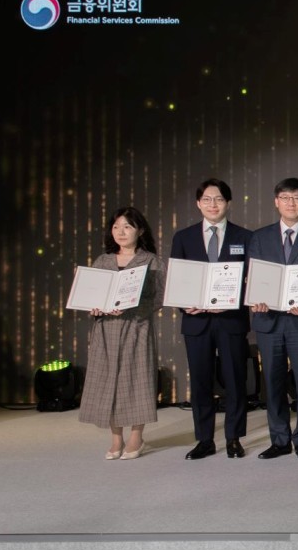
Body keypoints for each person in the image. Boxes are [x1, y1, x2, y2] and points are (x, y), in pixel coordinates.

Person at [247, 178, 298, 460]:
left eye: (296, 198)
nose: (291, 203)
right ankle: (279, 439)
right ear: (276, 202)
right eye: (285, 197)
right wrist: (256, 296)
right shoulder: (259, 237)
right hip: (268, 320)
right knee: (272, 382)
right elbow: (253, 275)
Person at [169, 179, 252, 460]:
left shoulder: (245, 237)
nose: (213, 204)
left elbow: (252, 280)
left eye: (218, 199)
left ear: (228, 203)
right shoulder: (183, 237)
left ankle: (233, 437)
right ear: (198, 203)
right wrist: (184, 304)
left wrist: (234, 300)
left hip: (231, 320)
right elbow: (177, 278)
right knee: (201, 381)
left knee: (235, 379)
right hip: (196, 321)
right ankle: (204, 439)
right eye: (207, 199)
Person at [78, 206, 165, 460]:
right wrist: (95, 308)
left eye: (127, 226)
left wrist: (132, 308)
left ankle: (137, 436)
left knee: (137, 379)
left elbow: (159, 297)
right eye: (116, 227)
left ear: (140, 230)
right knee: (107, 381)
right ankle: (116, 438)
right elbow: (92, 295)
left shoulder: (151, 261)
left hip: (137, 327)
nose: (121, 232)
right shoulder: (103, 261)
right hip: (106, 329)